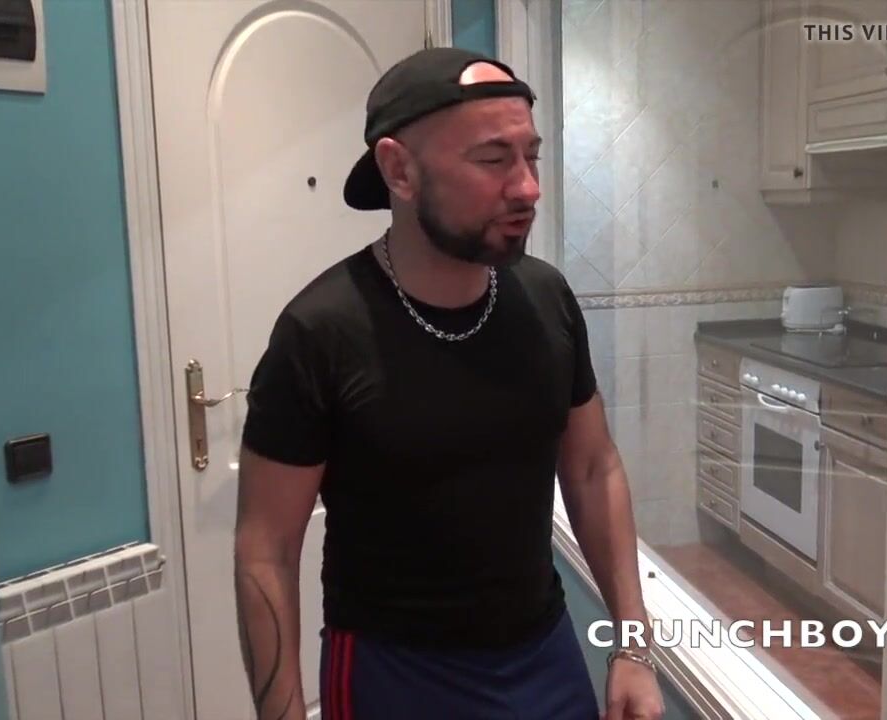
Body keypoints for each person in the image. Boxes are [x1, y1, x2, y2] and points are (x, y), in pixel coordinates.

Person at [232, 46, 666, 720]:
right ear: (399, 171)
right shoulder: (321, 332)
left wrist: (633, 646)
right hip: (395, 674)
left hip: (544, 655)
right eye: (493, 160)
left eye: (531, 156)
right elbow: (267, 548)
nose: (528, 188)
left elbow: (591, 468)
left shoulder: (546, 299)